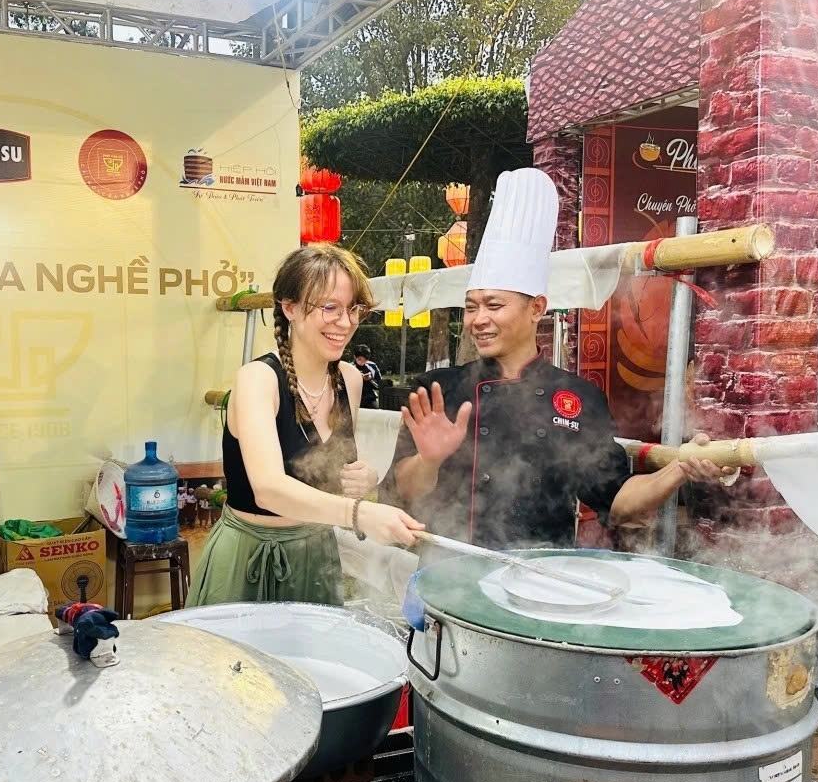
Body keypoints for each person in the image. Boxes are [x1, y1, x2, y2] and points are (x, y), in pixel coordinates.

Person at [380, 169, 734, 553]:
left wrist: (679, 468)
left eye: (494, 305)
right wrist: (429, 460)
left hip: (539, 577)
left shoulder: (577, 398)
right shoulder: (437, 390)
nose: (478, 319)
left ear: (536, 308)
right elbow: (399, 492)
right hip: (445, 575)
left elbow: (617, 500)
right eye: (471, 307)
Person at [186, 244, 424, 606]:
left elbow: (330, 474)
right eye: (330, 307)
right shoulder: (258, 380)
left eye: (353, 309)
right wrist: (358, 513)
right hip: (248, 557)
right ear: (290, 307)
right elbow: (268, 488)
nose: (344, 323)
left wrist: (360, 480)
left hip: (315, 557)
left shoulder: (350, 380)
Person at [352, 345, 381, 409]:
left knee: (377, 411)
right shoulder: (350, 367)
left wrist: (370, 379)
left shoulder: (372, 366)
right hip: (354, 398)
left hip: (370, 398)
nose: (362, 362)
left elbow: (379, 385)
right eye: (360, 359)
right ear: (355, 357)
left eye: (365, 360)